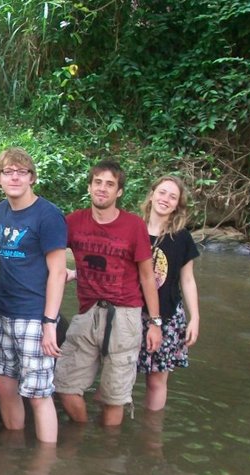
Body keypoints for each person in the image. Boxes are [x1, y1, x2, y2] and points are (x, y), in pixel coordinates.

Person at [54, 159, 162, 427]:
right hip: (87, 313)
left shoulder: (134, 225)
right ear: (89, 187)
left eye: (110, 184)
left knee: (115, 398)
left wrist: (155, 323)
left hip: (125, 316)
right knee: (64, 385)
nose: (102, 188)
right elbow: (43, 248)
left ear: (119, 191)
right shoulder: (73, 221)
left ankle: (108, 447)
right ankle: (83, 432)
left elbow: (147, 276)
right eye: (98, 182)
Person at [0, 147, 67, 443]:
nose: (15, 177)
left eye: (22, 172)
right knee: (3, 383)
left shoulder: (48, 215)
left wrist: (49, 323)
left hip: (33, 315)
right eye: (8, 172)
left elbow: (58, 271)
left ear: (32, 177)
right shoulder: (0, 212)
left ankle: (46, 463)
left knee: (38, 393)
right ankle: (13, 449)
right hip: (0, 310)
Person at [137, 175, 200, 410]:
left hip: (167, 316)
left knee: (156, 382)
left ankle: (151, 430)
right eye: (162, 192)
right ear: (152, 195)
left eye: (173, 197)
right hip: (131, 313)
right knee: (119, 375)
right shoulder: (134, 229)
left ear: (177, 205)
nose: (165, 199)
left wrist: (195, 318)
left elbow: (188, 280)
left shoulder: (181, 237)